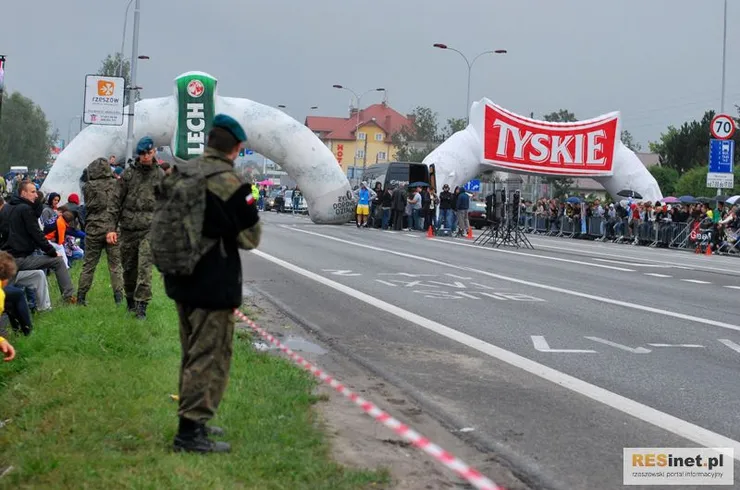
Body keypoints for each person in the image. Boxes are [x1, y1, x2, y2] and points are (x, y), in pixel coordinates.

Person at [160, 114, 261, 454]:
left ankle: (193, 421)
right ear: (236, 148)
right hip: (212, 283)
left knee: (191, 354)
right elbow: (251, 238)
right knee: (208, 357)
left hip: (179, 276)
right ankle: (189, 434)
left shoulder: (182, 172)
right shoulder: (229, 183)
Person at [108, 136, 164, 319]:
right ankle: (131, 300)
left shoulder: (160, 175)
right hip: (129, 229)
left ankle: (142, 308)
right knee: (129, 269)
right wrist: (110, 228)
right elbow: (115, 201)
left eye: (148, 153)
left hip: (150, 229)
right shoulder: (128, 174)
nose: (145, 157)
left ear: (154, 152)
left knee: (145, 269)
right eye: (142, 154)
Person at [1, 181, 76, 303]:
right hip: (21, 259)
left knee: (9, 292)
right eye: (33, 192)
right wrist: (52, 251)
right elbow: (37, 234)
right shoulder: (25, 209)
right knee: (58, 261)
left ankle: (39, 308)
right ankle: (69, 298)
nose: (36, 195)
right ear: (23, 193)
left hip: (6, 260)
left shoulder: (6, 208)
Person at [77, 158, 125, 306]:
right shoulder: (117, 184)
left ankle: (81, 297)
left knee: (89, 264)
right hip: (112, 228)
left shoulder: (88, 187)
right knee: (115, 265)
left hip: (94, 228)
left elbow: (83, 179)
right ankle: (118, 298)